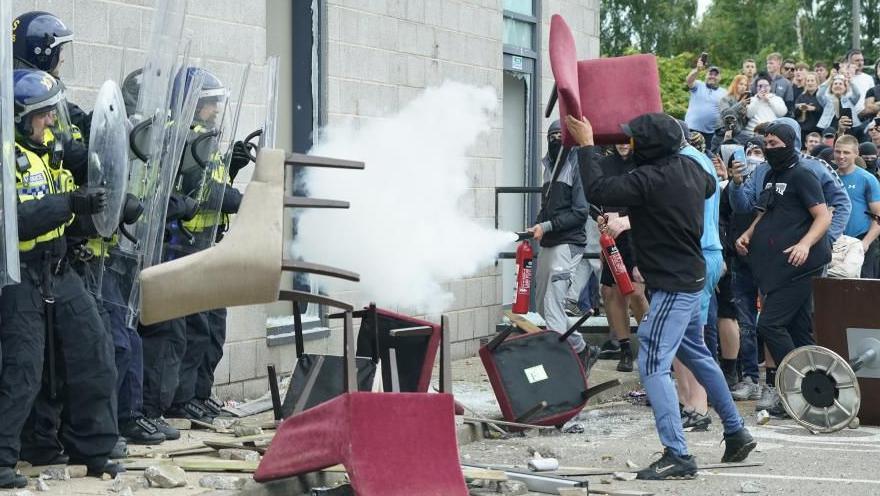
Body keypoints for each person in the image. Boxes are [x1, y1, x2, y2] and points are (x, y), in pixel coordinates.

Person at [567, 112, 755, 480]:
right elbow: (705, 186)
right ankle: (736, 431)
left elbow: (600, 191)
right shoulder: (693, 171)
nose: (630, 145)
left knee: (652, 357)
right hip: (689, 273)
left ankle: (678, 454)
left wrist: (588, 146)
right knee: (698, 354)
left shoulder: (650, 178)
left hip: (673, 282)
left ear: (649, 148)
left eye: (635, 141)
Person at [0, 70, 121, 489]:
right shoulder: (6, 160)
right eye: (42, 113)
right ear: (19, 118)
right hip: (20, 276)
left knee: (94, 353)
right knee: (23, 371)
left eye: (53, 110)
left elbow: (71, 220)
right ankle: (1, 459)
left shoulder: (54, 152)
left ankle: (93, 450)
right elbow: (15, 222)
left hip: (60, 269)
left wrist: (111, 209)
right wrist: (68, 202)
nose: (52, 119)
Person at [160, 68, 250, 422]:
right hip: (186, 246)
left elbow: (211, 183)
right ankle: (183, 401)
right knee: (195, 330)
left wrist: (232, 168)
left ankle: (200, 392)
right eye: (210, 103)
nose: (215, 110)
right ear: (192, 105)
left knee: (213, 328)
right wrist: (241, 197)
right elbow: (204, 193)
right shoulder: (184, 139)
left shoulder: (205, 140)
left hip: (209, 244)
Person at [735, 121, 832, 416]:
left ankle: (792, 387)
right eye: (767, 143)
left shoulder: (803, 174)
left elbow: (823, 216)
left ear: (790, 144)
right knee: (800, 332)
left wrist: (804, 245)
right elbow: (766, 212)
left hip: (800, 265)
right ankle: (818, 391)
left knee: (769, 325)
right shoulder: (771, 175)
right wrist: (750, 232)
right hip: (776, 266)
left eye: (775, 143)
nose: (769, 148)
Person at [527, 120, 595, 370]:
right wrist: (536, 225)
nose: (555, 139)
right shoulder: (549, 166)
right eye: (551, 135)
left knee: (554, 305)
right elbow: (548, 206)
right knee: (545, 308)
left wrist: (545, 227)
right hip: (549, 242)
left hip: (568, 244)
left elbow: (580, 212)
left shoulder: (577, 164)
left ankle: (556, 366)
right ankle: (582, 348)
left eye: (560, 135)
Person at [674, 120, 724, 432]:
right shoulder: (695, 158)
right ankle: (688, 403)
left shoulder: (689, 161)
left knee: (694, 337)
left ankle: (699, 406)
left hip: (699, 253)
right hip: (701, 252)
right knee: (680, 336)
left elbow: (678, 210)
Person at [593, 143, 649, 372]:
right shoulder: (604, 164)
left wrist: (627, 219)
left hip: (638, 236)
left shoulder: (644, 162)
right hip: (611, 238)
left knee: (636, 292)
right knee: (611, 292)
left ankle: (650, 345)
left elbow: (652, 201)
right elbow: (592, 198)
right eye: (618, 138)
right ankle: (624, 348)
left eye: (628, 138)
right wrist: (600, 217)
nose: (623, 143)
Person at [726, 139, 766, 401]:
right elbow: (738, 207)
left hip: (769, 260)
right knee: (745, 324)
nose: (752, 158)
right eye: (748, 152)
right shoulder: (733, 185)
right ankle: (750, 376)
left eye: (758, 152)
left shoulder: (773, 180)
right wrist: (736, 181)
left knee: (773, 322)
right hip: (740, 262)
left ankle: (774, 378)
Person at [834, 135, 880, 277]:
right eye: (838, 151)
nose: (841, 156)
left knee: (863, 292)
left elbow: (878, 216)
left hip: (861, 240)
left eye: (846, 152)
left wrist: (865, 243)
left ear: (856, 153)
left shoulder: (867, 179)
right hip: (836, 243)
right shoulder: (829, 178)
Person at [685, 58, 726, 145]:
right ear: (706, 75)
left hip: (710, 133)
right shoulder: (699, 85)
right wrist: (697, 70)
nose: (712, 76)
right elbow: (689, 80)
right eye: (710, 74)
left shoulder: (724, 92)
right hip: (691, 128)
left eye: (716, 75)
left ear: (720, 77)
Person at [794, 72, 823, 141]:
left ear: (817, 82)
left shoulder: (822, 96)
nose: (810, 83)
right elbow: (795, 113)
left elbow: (826, 111)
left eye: (812, 81)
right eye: (808, 81)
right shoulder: (801, 97)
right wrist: (799, 108)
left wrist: (814, 108)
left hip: (818, 129)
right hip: (804, 130)